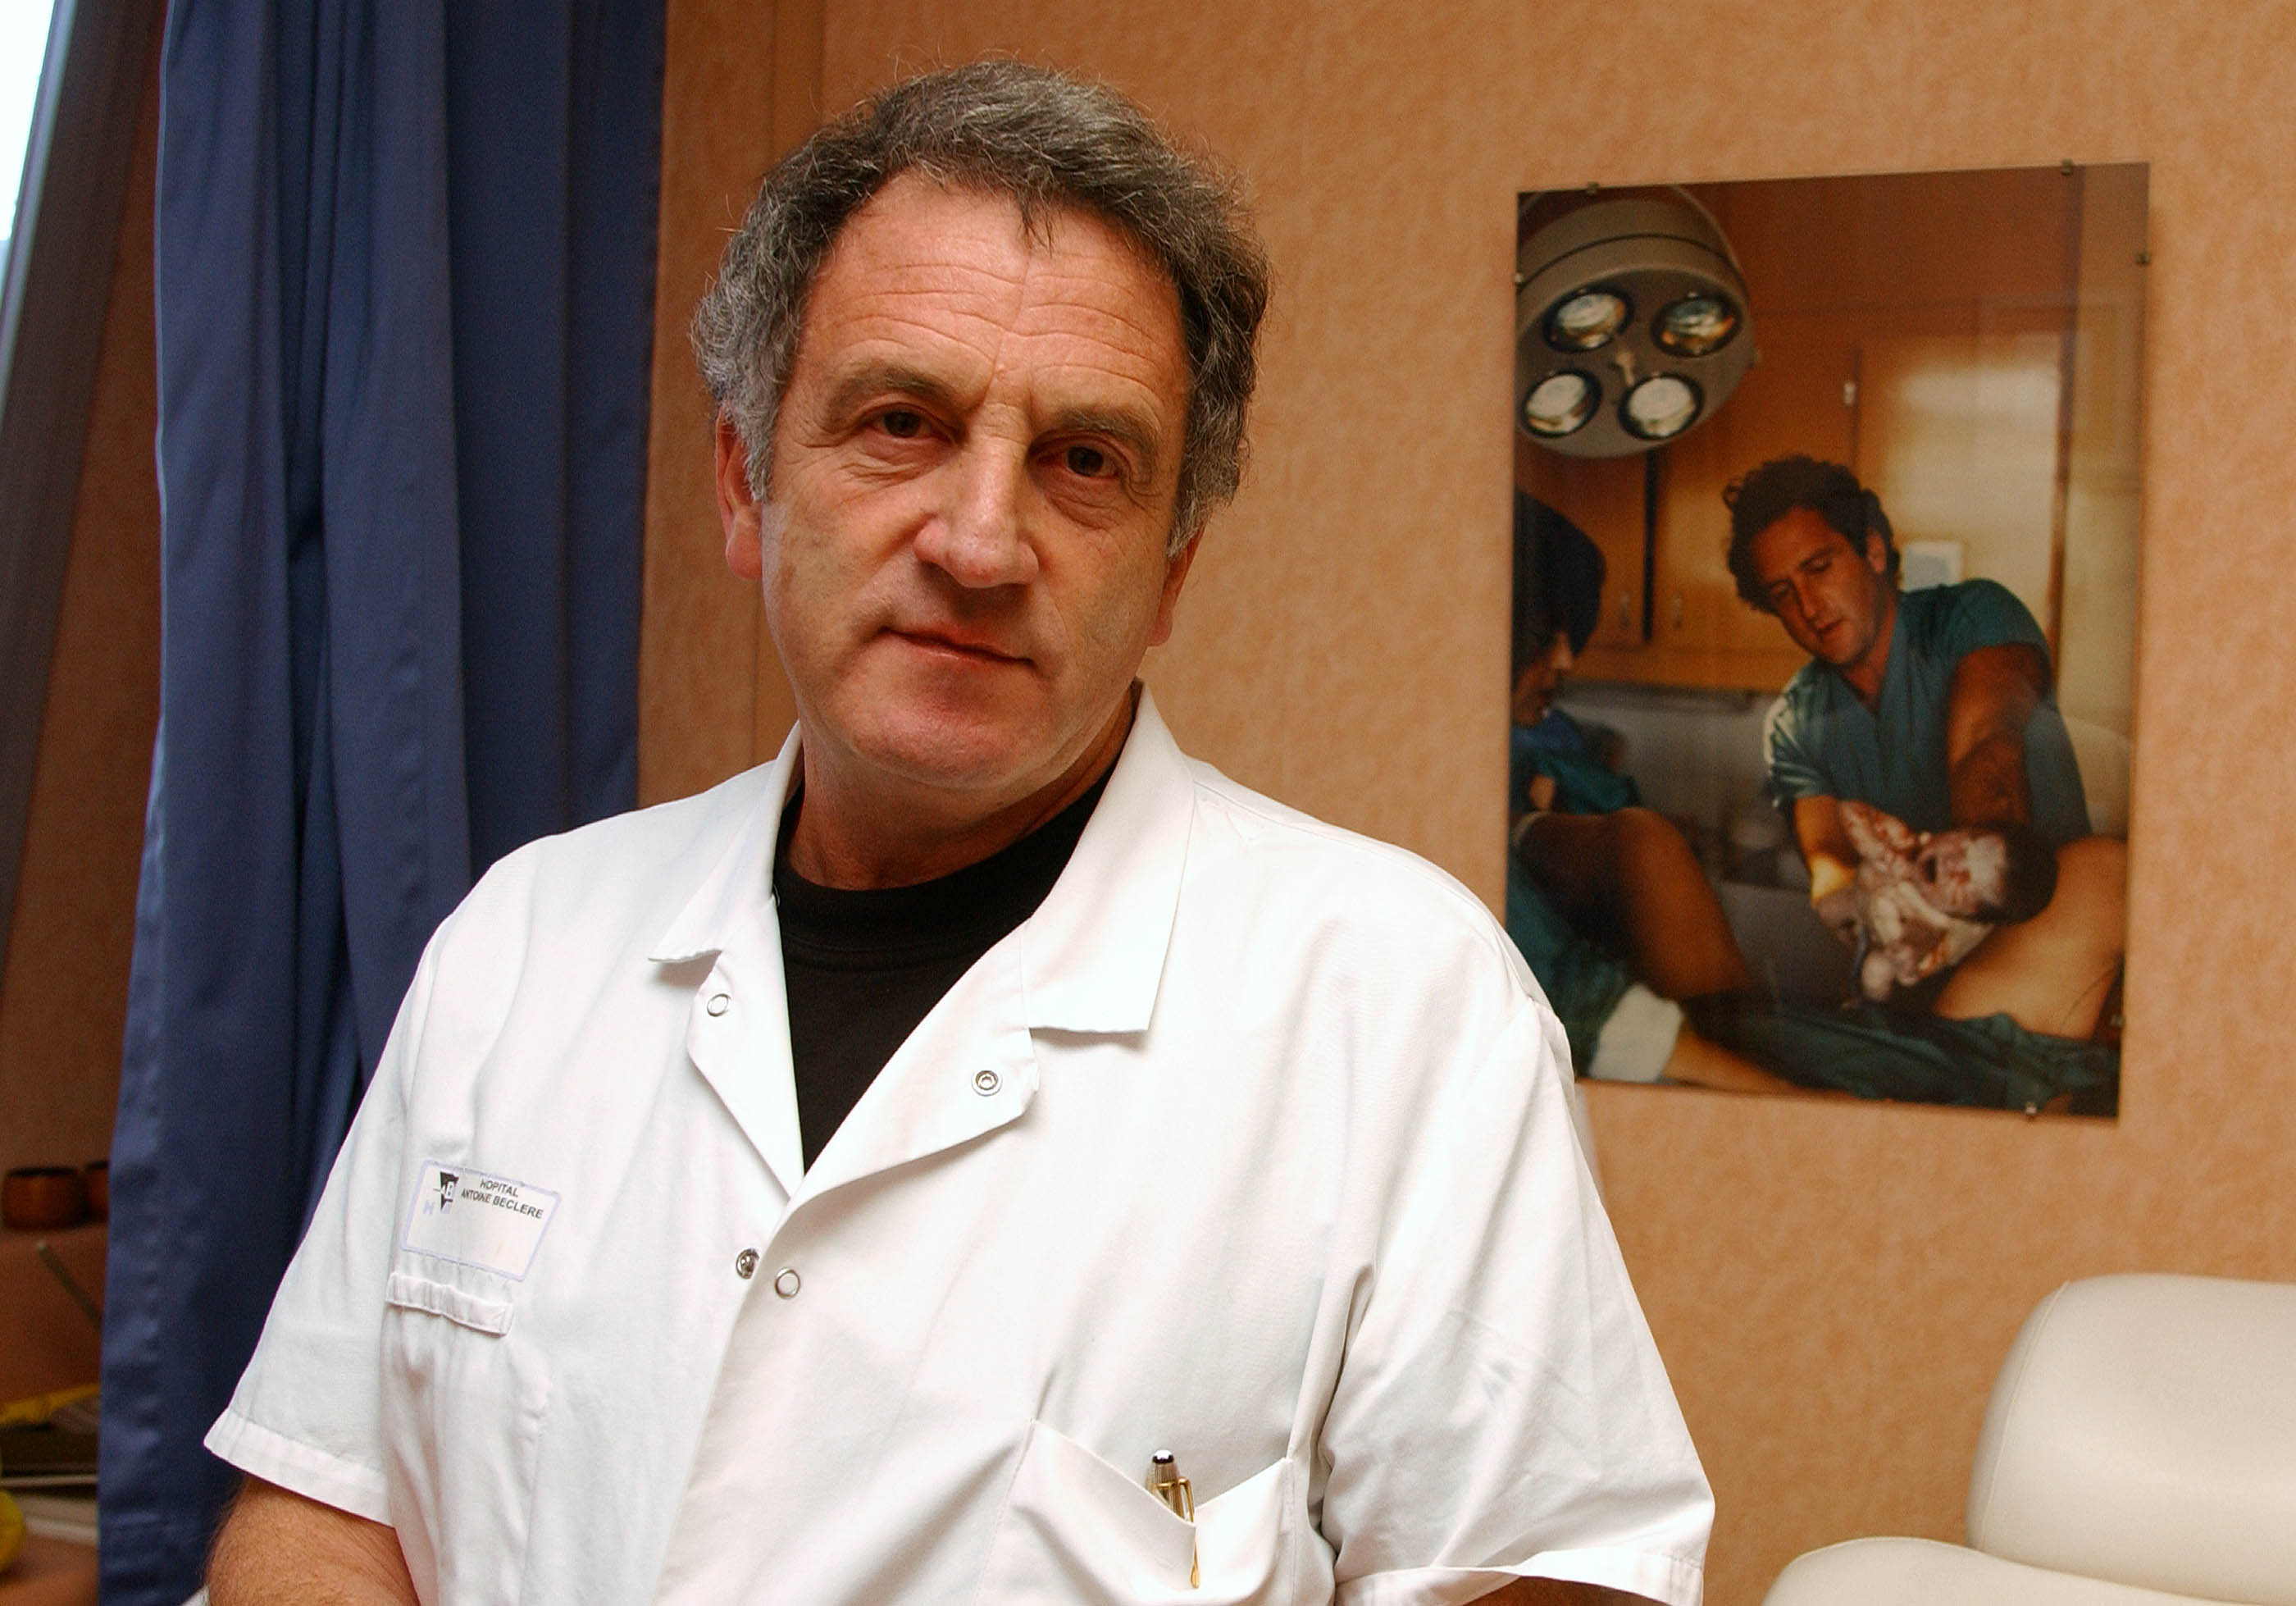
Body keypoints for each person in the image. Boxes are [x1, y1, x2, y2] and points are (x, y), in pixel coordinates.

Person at [200, 63, 1711, 1606]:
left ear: (1172, 567)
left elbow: (1553, 1577)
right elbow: (327, 1500)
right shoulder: (524, 941)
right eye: (901, 422)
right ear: (744, 482)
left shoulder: (1402, 1006)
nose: (982, 543)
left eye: (1085, 461)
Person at [1688, 455, 2125, 1106]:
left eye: (1819, 567)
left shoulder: (1972, 617)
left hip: (2038, 956)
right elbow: (1828, 860)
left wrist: (1949, 894)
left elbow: (1985, 749)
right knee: (1725, 1034)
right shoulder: (1797, 721)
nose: (1808, 606)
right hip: (1911, 996)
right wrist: (1869, 896)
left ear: (1872, 549)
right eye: (1782, 593)